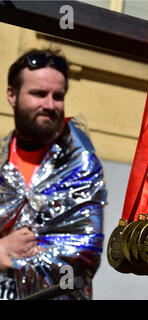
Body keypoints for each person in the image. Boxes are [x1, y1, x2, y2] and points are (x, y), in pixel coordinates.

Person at [0, 48, 107, 300]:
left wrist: (9, 256)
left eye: (58, 96)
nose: (50, 105)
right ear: (12, 95)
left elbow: (84, 253)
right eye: (39, 94)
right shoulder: (2, 161)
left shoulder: (79, 164)